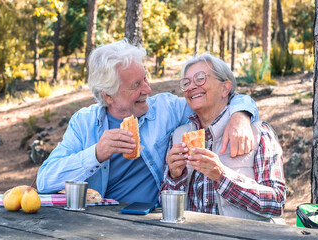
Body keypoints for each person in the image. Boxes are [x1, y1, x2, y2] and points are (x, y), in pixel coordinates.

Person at [36, 39, 259, 204]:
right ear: (108, 95)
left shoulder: (165, 109)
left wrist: (240, 115)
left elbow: (220, 99)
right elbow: (45, 180)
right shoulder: (84, 123)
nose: (148, 89)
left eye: (145, 78)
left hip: (150, 222)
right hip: (96, 223)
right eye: (135, 86)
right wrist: (96, 153)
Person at [160, 53, 286, 222]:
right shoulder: (178, 136)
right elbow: (163, 204)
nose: (191, 87)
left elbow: (276, 203)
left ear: (225, 88)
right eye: (186, 83)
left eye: (200, 78)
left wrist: (222, 177)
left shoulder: (259, 132)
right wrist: (175, 177)